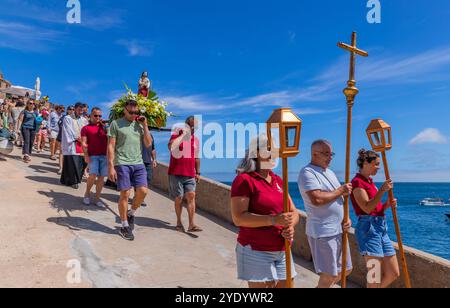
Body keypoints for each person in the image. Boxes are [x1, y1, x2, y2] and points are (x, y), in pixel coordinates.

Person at [231, 135, 299, 288]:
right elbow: (238, 218)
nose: (274, 152)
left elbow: (293, 212)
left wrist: (291, 226)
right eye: (269, 149)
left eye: (275, 149)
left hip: (282, 249)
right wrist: (274, 220)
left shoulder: (278, 180)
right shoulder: (244, 180)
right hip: (255, 249)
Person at [298, 140, 353, 288]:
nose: (330, 158)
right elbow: (317, 198)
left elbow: (339, 199)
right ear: (314, 154)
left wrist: (346, 218)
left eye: (331, 154)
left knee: (346, 269)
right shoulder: (307, 172)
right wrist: (341, 190)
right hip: (323, 231)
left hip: (339, 229)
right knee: (329, 275)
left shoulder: (330, 172)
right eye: (326, 154)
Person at [350, 149, 400, 288]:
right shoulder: (357, 183)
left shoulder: (369, 182)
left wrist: (386, 206)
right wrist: (382, 191)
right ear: (366, 163)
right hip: (368, 230)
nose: (379, 167)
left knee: (393, 273)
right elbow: (366, 208)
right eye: (376, 164)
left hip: (380, 228)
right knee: (374, 277)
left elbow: (375, 208)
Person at [107, 99, 153, 241]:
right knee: (125, 194)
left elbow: (148, 143)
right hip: (122, 163)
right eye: (131, 112)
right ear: (124, 110)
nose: (134, 114)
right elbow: (110, 146)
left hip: (138, 163)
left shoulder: (139, 125)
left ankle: (131, 212)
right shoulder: (115, 124)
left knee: (143, 191)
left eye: (136, 112)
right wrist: (110, 166)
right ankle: (124, 225)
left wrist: (144, 125)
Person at [168, 116, 202, 233]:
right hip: (176, 172)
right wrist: (183, 135)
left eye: (194, 126)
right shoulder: (176, 135)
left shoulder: (195, 140)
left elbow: (197, 157)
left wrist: (197, 172)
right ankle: (178, 222)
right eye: (190, 125)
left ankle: (192, 224)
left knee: (191, 196)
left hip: (190, 173)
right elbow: (171, 147)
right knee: (179, 198)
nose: (192, 128)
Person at [80, 107, 108, 208]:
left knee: (101, 178)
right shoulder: (85, 128)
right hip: (93, 156)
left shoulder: (105, 127)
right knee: (92, 175)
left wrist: (105, 127)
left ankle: (97, 198)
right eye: (95, 115)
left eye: (100, 116)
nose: (98, 117)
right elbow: (83, 143)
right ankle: (87, 194)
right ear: (91, 116)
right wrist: (86, 155)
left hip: (105, 156)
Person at [60, 102, 89, 189]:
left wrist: (84, 139)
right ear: (75, 108)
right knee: (73, 162)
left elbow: (86, 130)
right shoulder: (68, 118)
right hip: (72, 143)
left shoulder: (84, 120)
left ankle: (65, 179)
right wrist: (76, 138)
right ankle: (74, 181)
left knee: (80, 162)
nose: (81, 112)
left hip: (81, 143)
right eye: (79, 110)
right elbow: (68, 130)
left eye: (82, 111)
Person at [140, 132, 157, 207]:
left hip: (148, 162)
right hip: (139, 161)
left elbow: (153, 149)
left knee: (148, 180)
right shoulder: (138, 133)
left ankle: (140, 197)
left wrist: (154, 160)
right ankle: (140, 198)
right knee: (140, 181)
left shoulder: (151, 135)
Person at [57, 105, 74, 174]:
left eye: (73, 109)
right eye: (70, 109)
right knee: (61, 152)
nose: (72, 110)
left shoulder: (75, 119)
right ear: (67, 110)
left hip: (71, 138)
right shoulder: (64, 117)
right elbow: (59, 124)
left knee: (69, 153)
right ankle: (61, 168)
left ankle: (66, 168)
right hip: (62, 137)